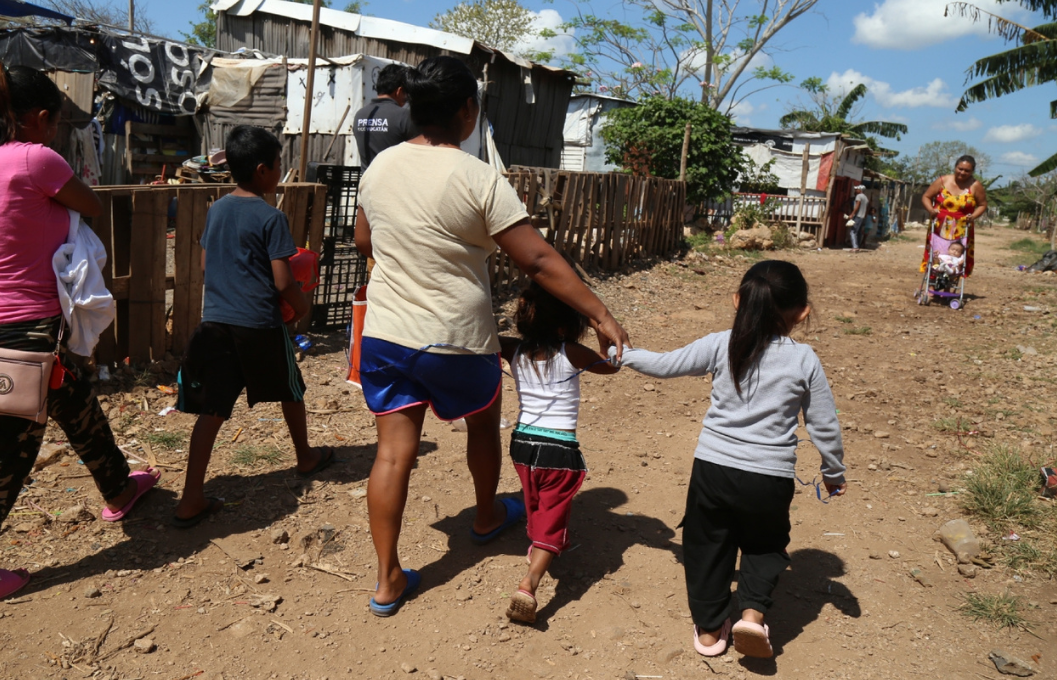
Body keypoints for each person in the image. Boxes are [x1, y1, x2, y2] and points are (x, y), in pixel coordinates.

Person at [353, 55, 629, 617]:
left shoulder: (378, 169)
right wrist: (601, 316)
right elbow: (538, 260)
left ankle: (386, 582)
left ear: (410, 106)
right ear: (468, 112)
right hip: (457, 337)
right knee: (482, 420)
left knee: (391, 455)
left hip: (385, 335)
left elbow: (364, 242)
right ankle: (484, 515)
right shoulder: (479, 177)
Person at [0, 58, 161, 614]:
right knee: (7, 451)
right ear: (36, 118)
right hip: (28, 330)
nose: (55, 133)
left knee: (73, 398)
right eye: (55, 123)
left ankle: (118, 488)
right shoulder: (34, 159)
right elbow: (91, 205)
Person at [611, 260, 846, 659]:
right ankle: (751, 617)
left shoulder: (722, 343)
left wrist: (623, 354)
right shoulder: (805, 359)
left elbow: (666, 365)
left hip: (713, 470)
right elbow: (824, 424)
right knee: (764, 545)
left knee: (706, 545)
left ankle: (708, 631)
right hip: (769, 478)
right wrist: (833, 472)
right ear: (802, 313)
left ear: (737, 301)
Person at [173, 126, 334, 527]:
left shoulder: (217, 210)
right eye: (279, 165)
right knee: (291, 388)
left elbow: (208, 266)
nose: (280, 171)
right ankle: (305, 456)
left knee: (213, 408)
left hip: (217, 323)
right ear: (263, 170)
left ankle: (191, 496)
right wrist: (300, 306)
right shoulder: (271, 216)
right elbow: (283, 280)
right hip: (259, 323)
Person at [497, 281, 618, 624]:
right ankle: (529, 584)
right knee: (553, 511)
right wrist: (602, 333)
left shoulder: (513, 350)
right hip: (558, 449)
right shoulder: (572, 352)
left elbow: (482, 342)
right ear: (566, 326)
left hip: (522, 444)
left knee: (533, 497)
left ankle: (537, 544)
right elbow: (613, 365)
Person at [920, 155, 986, 278]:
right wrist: (930, 209)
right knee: (937, 253)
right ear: (955, 167)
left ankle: (950, 286)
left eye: (967, 170)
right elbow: (926, 196)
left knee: (956, 257)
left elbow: (982, 205)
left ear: (972, 172)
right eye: (960, 168)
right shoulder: (942, 180)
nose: (963, 172)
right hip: (939, 226)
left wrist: (973, 216)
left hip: (962, 228)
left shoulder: (975, 186)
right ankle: (932, 285)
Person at [353, 64, 418, 170]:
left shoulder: (360, 115)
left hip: (367, 183)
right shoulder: (404, 116)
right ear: (399, 91)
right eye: (406, 93)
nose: (406, 98)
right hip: (393, 184)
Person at [844, 184, 869, 252]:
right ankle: (857, 245)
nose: (855, 190)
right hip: (862, 217)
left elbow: (857, 206)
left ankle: (855, 247)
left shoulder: (859, 196)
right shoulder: (866, 197)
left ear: (860, 190)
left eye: (857, 189)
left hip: (858, 216)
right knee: (858, 232)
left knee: (853, 232)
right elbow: (866, 208)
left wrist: (852, 214)